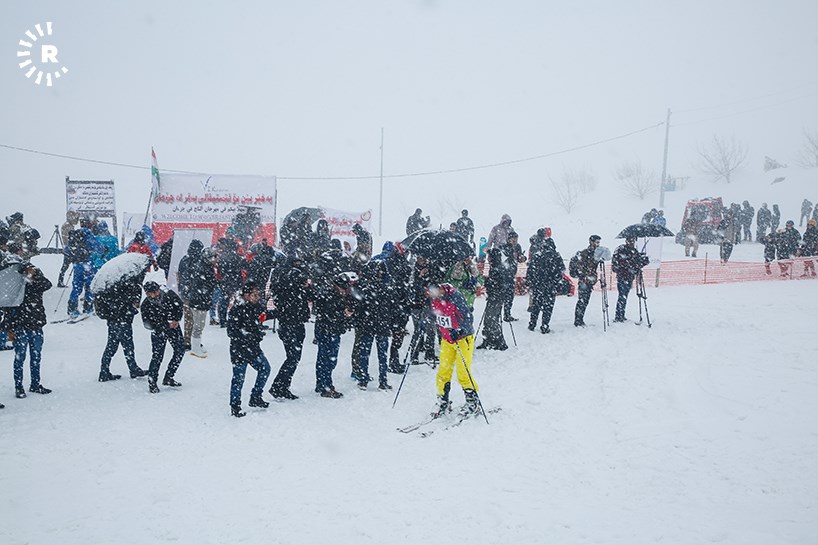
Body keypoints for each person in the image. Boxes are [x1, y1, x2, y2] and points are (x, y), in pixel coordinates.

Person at [426, 283, 479, 418]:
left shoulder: (455, 297)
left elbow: (468, 317)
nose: (433, 295)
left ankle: (472, 401)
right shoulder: (434, 299)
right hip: (447, 339)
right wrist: (426, 321)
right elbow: (434, 314)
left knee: (463, 372)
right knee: (443, 371)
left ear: (441, 288)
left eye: (435, 292)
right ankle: (443, 400)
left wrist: (460, 330)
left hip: (463, 339)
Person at [5, 258, 52, 399]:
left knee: (36, 357)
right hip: (21, 326)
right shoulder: (15, 285)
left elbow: (47, 284)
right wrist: (10, 329)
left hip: (36, 325)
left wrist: (35, 274)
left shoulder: (36, 282)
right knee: (20, 358)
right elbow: (8, 307)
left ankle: (35, 383)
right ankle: (19, 387)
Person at [268, 253, 311, 400]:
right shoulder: (283, 276)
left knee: (294, 357)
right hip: (288, 322)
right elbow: (278, 293)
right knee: (293, 357)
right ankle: (278, 386)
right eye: (296, 262)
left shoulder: (294, 277)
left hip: (297, 321)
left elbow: (307, 293)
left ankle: (282, 386)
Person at [226, 281, 271, 417]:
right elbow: (232, 332)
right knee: (238, 378)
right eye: (255, 294)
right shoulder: (237, 309)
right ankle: (235, 405)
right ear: (246, 295)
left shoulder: (256, 306)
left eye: (258, 294)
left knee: (265, 368)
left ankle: (256, 396)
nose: (257, 297)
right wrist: (249, 336)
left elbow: (263, 315)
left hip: (253, 348)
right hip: (239, 349)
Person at [94, 271, 147, 382]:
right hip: (123, 320)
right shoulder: (127, 286)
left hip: (113, 320)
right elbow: (134, 301)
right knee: (127, 346)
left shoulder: (109, 285)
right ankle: (133, 369)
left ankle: (104, 371)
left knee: (111, 347)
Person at [312, 272, 355, 398]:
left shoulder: (329, 293)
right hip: (328, 330)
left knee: (323, 358)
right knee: (329, 359)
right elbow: (329, 314)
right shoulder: (330, 295)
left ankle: (321, 383)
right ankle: (326, 386)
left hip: (327, 329)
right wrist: (343, 314)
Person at [353, 261, 393, 390]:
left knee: (365, 353)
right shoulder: (387, 290)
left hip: (368, 324)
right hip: (381, 325)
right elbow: (393, 308)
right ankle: (382, 380)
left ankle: (364, 379)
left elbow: (359, 308)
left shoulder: (366, 290)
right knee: (382, 355)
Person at [140, 281, 185, 393]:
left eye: (154, 292)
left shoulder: (169, 295)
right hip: (159, 331)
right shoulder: (146, 305)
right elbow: (148, 324)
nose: (153, 295)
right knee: (157, 356)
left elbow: (179, 305)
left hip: (173, 327)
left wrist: (176, 319)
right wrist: (165, 325)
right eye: (150, 293)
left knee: (180, 350)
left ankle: (169, 376)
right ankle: (152, 381)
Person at [178, 240, 217, 357]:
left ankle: (187, 341)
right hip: (195, 294)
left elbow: (179, 275)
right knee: (196, 320)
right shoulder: (199, 262)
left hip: (186, 293)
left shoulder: (184, 259)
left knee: (189, 318)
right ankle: (193, 342)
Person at [526, 230, 564, 333]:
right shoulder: (556, 256)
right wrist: (558, 282)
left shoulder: (537, 256)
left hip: (538, 285)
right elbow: (561, 270)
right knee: (548, 307)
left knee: (536, 305)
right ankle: (544, 325)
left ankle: (532, 324)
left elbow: (530, 270)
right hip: (550, 286)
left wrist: (530, 282)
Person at [65, 221, 102, 318]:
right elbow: (99, 249)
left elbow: (67, 250)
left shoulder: (75, 235)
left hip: (77, 264)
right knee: (89, 287)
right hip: (87, 264)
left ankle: (72, 309)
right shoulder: (89, 236)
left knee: (76, 287)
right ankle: (88, 308)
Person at [611, 237, 649, 322]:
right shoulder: (621, 250)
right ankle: (618, 316)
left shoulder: (634, 251)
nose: (631, 242)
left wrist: (643, 261)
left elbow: (637, 264)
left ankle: (621, 314)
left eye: (632, 240)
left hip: (629, 277)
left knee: (624, 296)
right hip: (622, 277)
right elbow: (617, 265)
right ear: (626, 241)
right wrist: (629, 265)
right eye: (629, 240)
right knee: (622, 296)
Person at [476, 248, 507, 350]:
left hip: (496, 298)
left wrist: (488, 281)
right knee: (489, 320)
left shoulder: (497, 268)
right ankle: (489, 340)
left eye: (489, 256)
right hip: (494, 297)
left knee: (491, 320)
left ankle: (499, 342)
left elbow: (498, 284)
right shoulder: (495, 267)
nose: (488, 259)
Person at [572, 235, 601, 327]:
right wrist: (584, 275)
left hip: (590, 281)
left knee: (585, 301)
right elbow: (581, 267)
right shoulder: (585, 253)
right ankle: (578, 320)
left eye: (598, 242)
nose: (598, 244)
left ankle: (580, 319)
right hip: (584, 280)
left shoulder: (596, 254)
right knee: (582, 301)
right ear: (591, 242)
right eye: (596, 242)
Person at [500, 231, 526, 321]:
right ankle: (498, 315)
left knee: (510, 296)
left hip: (512, 274)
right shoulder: (504, 247)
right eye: (513, 239)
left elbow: (519, 258)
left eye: (516, 239)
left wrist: (522, 258)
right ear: (509, 239)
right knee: (501, 295)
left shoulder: (518, 247)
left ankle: (507, 314)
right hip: (503, 274)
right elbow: (503, 259)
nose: (515, 241)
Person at [57, 210, 80, 287]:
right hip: (70, 249)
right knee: (67, 266)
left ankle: (60, 281)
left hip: (69, 249)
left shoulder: (68, 225)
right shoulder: (67, 226)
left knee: (65, 266)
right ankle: (61, 281)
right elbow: (68, 238)